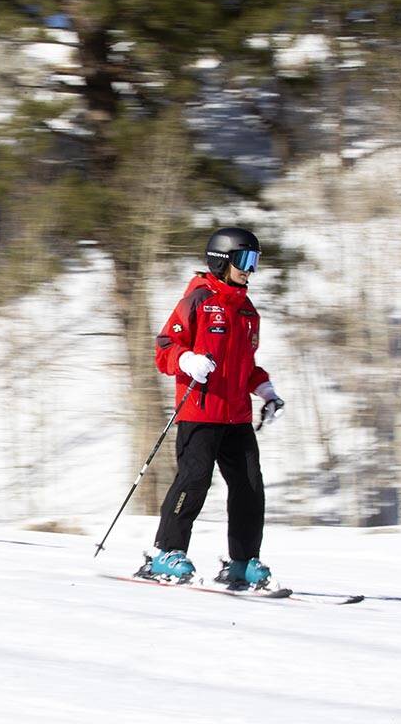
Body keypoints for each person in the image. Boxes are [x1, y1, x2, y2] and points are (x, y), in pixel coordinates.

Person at [139, 227, 286, 588]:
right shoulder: (199, 301)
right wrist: (186, 359)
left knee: (250, 487)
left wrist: (265, 390)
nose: (250, 269)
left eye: (255, 261)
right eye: (244, 260)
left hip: (236, 415)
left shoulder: (248, 312)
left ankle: (242, 562)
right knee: (194, 481)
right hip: (200, 412)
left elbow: (245, 366)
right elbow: (164, 348)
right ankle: (165, 554)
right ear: (222, 260)